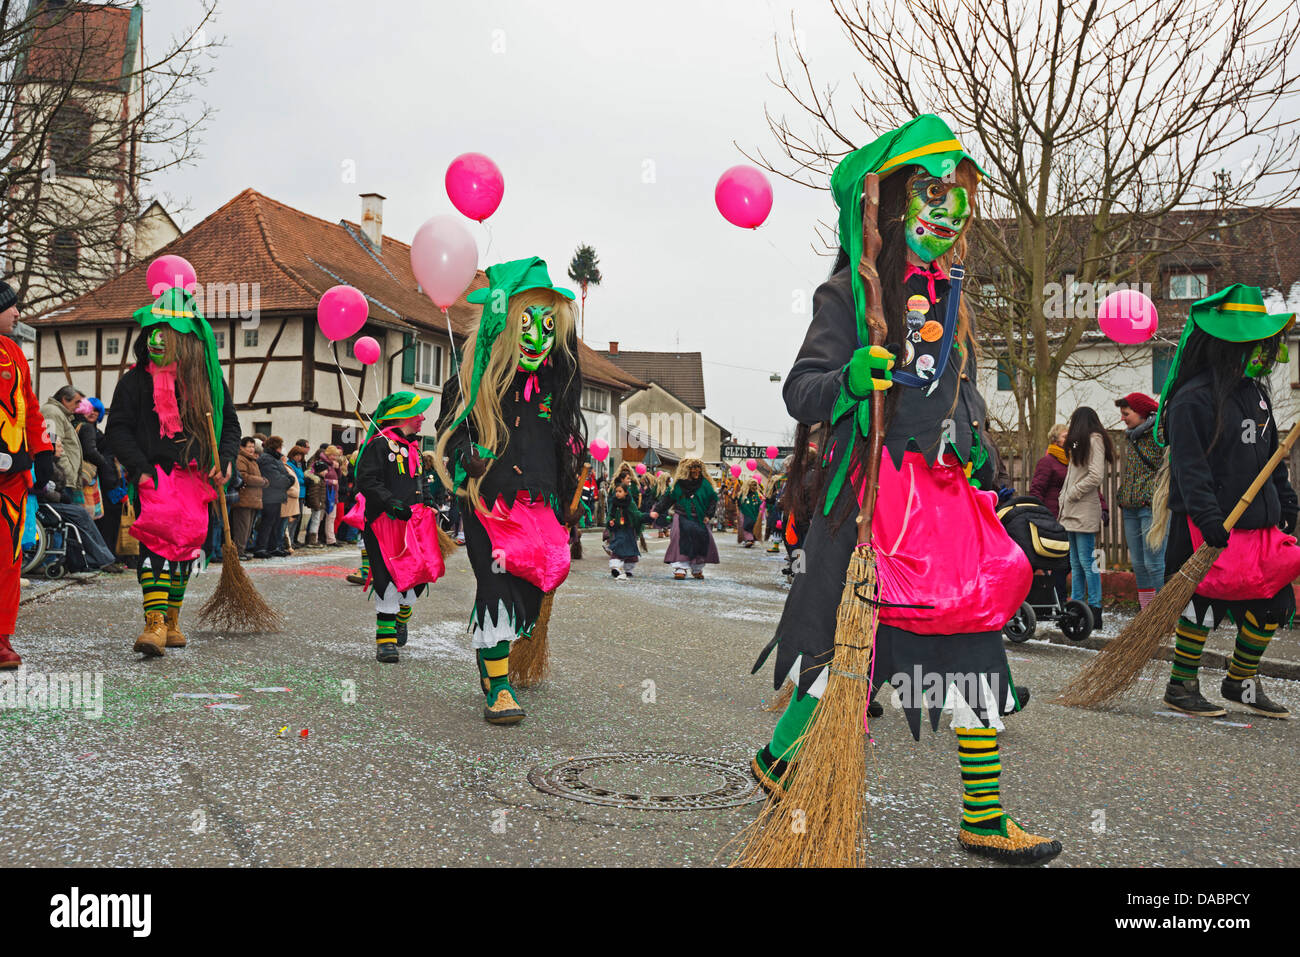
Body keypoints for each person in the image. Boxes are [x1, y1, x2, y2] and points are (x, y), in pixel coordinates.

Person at [750, 115, 1057, 864]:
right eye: (929, 192)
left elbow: (968, 412)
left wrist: (1007, 493)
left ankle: (984, 814)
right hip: (873, 509)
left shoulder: (954, 302)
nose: (946, 211)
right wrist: (849, 380)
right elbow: (800, 389)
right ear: (889, 205)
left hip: (948, 511)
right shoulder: (848, 296)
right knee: (847, 657)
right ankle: (782, 759)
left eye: (955, 197)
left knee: (979, 642)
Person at [435, 257, 586, 725]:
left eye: (547, 323)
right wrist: (466, 459)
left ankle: (506, 657)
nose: (537, 336)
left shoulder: (555, 387)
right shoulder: (471, 386)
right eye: (526, 322)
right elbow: (451, 436)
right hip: (489, 501)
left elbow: (562, 442)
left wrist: (567, 493)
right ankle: (496, 686)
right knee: (496, 584)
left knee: (534, 584)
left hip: (540, 505)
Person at [1154, 283, 1298, 719]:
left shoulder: (1255, 394)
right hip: (1206, 524)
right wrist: (1209, 517)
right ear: (1228, 345)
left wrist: (1287, 502)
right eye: (1254, 343)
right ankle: (1182, 685)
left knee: (1272, 602)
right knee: (1198, 603)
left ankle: (1241, 683)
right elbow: (1190, 467)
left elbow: (1273, 457)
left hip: (1257, 523)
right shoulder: (1192, 399)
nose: (1263, 352)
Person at [105, 288, 238, 656]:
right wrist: (142, 471)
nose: (156, 340)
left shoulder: (208, 380)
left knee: (185, 548)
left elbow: (230, 427)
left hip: (197, 477)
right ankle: (154, 622)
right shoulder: (134, 382)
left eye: (165, 333)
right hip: (156, 475)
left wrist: (224, 461)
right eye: (152, 333)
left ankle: (173, 618)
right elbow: (116, 428)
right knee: (155, 544)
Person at [355, 392, 446, 662]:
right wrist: (390, 502)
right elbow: (366, 480)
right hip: (385, 523)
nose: (422, 418)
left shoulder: (414, 447)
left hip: (416, 523)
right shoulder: (379, 445)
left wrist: (429, 502)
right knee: (388, 578)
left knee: (419, 577)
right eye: (418, 413)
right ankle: (385, 641)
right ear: (403, 415)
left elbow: (421, 482)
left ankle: (402, 616)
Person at [0, 280, 56, 668]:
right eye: (11, 307)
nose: (18, 314)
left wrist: (44, 451)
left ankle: (1, 637)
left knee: (8, 558)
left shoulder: (15, 353)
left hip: (13, 478)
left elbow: (30, 407)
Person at [1058, 407, 1114, 630]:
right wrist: (1064, 496)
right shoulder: (1079, 442)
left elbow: (1095, 475)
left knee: (1087, 561)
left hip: (1082, 509)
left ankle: (1094, 608)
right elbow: (1072, 471)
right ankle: (1077, 605)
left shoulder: (1095, 440)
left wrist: (1073, 493)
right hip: (1070, 510)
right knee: (1075, 562)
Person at [1114, 392, 1166, 610]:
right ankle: (1147, 613)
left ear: (1142, 413)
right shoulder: (1132, 436)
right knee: (1138, 564)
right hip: (1130, 507)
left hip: (1150, 507)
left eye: (1126, 414)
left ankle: (1163, 613)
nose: (1123, 418)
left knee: (1154, 563)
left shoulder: (1160, 435)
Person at [650, 458, 719, 579]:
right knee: (679, 538)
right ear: (686, 470)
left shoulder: (705, 484)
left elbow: (713, 500)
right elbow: (668, 499)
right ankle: (680, 567)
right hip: (681, 515)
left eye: (698, 467)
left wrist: (708, 515)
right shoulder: (678, 484)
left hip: (699, 517)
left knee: (702, 539)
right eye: (692, 468)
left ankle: (697, 568)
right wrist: (657, 511)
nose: (696, 470)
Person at [252, 436, 292, 558]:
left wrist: (289, 479)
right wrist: (288, 480)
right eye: (280, 446)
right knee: (267, 523)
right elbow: (276, 479)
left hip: (277, 495)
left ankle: (273, 547)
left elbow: (287, 476)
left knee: (275, 523)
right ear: (276, 447)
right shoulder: (266, 459)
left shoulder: (276, 459)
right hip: (269, 496)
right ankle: (261, 547)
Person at [232, 437, 265, 558]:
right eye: (249, 447)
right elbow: (244, 476)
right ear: (242, 447)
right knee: (242, 528)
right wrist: (261, 481)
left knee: (248, 528)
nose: (251, 449)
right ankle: (238, 552)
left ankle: (243, 550)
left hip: (253, 500)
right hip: (244, 499)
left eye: (252, 446)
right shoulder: (241, 459)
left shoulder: (253, 460)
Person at [606, 478, 645, 580]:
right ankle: (615, 567)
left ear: (626, 493)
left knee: (630, 551)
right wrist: (610, 521)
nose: (618, 494)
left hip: (629, 530)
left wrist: (644, 518)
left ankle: (628, 569)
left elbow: (636, 515)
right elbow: (610, 514)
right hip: (618, 530)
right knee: (617, 547)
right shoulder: (614, 503)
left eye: (620, 491)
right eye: (616, 491)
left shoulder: (630, 503)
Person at [736, 478, 762, 547]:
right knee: (745, 525)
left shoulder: (755, 494)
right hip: (744, 513)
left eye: (755, 485)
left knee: (752, 525)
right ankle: (748, 539)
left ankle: (751, 539)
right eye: (753, 485)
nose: (754, 487)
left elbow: (759, 503)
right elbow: (739, 502)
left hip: (753, 513)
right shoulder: (743, 494)